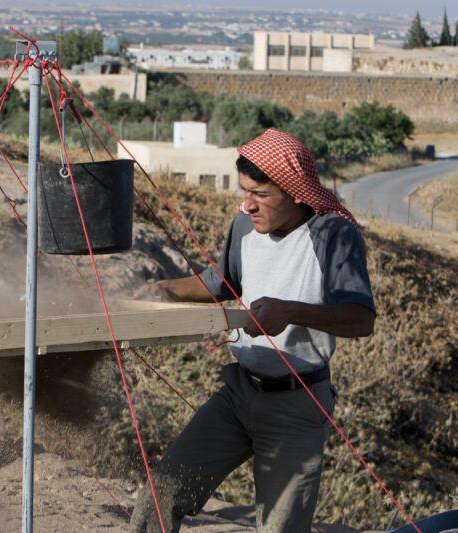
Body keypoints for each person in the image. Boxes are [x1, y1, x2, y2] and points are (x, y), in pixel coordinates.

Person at [129, 128, 376, 533]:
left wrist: (291, 312)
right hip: (238, 393)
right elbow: (222, 281)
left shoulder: (333, 235)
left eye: (260, 194)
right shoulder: (245, 225)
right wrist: (165, 288)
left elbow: (361, 318)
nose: (247, 204)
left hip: (297, 407)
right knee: (163, 491)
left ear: (296, 191)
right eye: (244, 191)